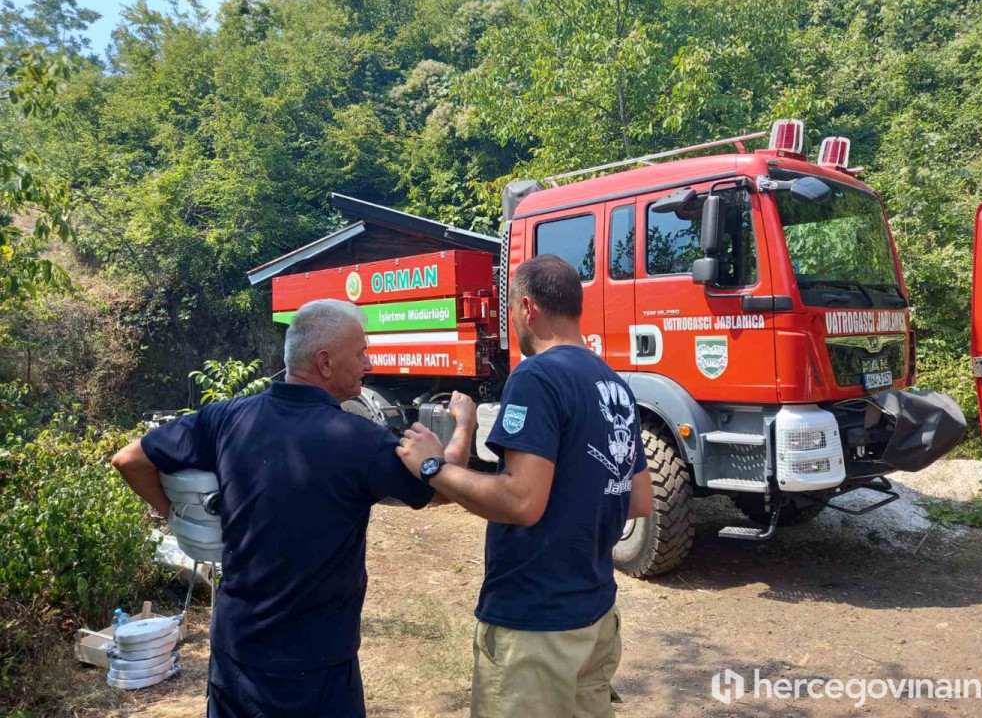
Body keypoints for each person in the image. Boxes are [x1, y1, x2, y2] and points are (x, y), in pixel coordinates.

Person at [111, 299, 476, 718]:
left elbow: (129, 459)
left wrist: (173, 517)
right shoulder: (358, 440)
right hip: (315, 662)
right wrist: (464, 424)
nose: (369, 363)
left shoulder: (227, 417)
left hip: (236, 651)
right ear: (325, 362)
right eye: (361, 353)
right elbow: (446, 492)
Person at [396, 254, 654, 718]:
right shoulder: (614, 383)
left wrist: (432, 465)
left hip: (536, 626)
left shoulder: (536, 376)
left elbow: (521, 501)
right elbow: (638, 498)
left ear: (528, 308)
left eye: (511, 308)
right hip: (594, 617)